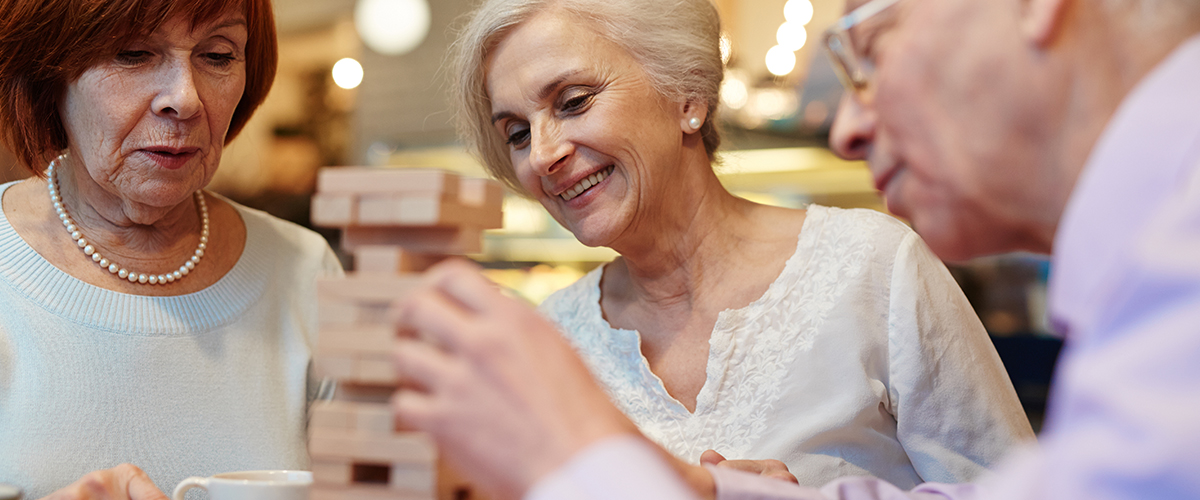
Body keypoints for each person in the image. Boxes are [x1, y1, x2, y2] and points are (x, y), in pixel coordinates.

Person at [387, 0, 1200, 498]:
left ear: (687, 97)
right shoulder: (547, 336)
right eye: (517, 134)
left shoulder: (875, 266)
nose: (545, 154)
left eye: (574, 101)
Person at [0, 0, 341, 498]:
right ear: (49, 71)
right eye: (133, 52)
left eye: (218, 56)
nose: (184, 99)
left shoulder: (306, 271)